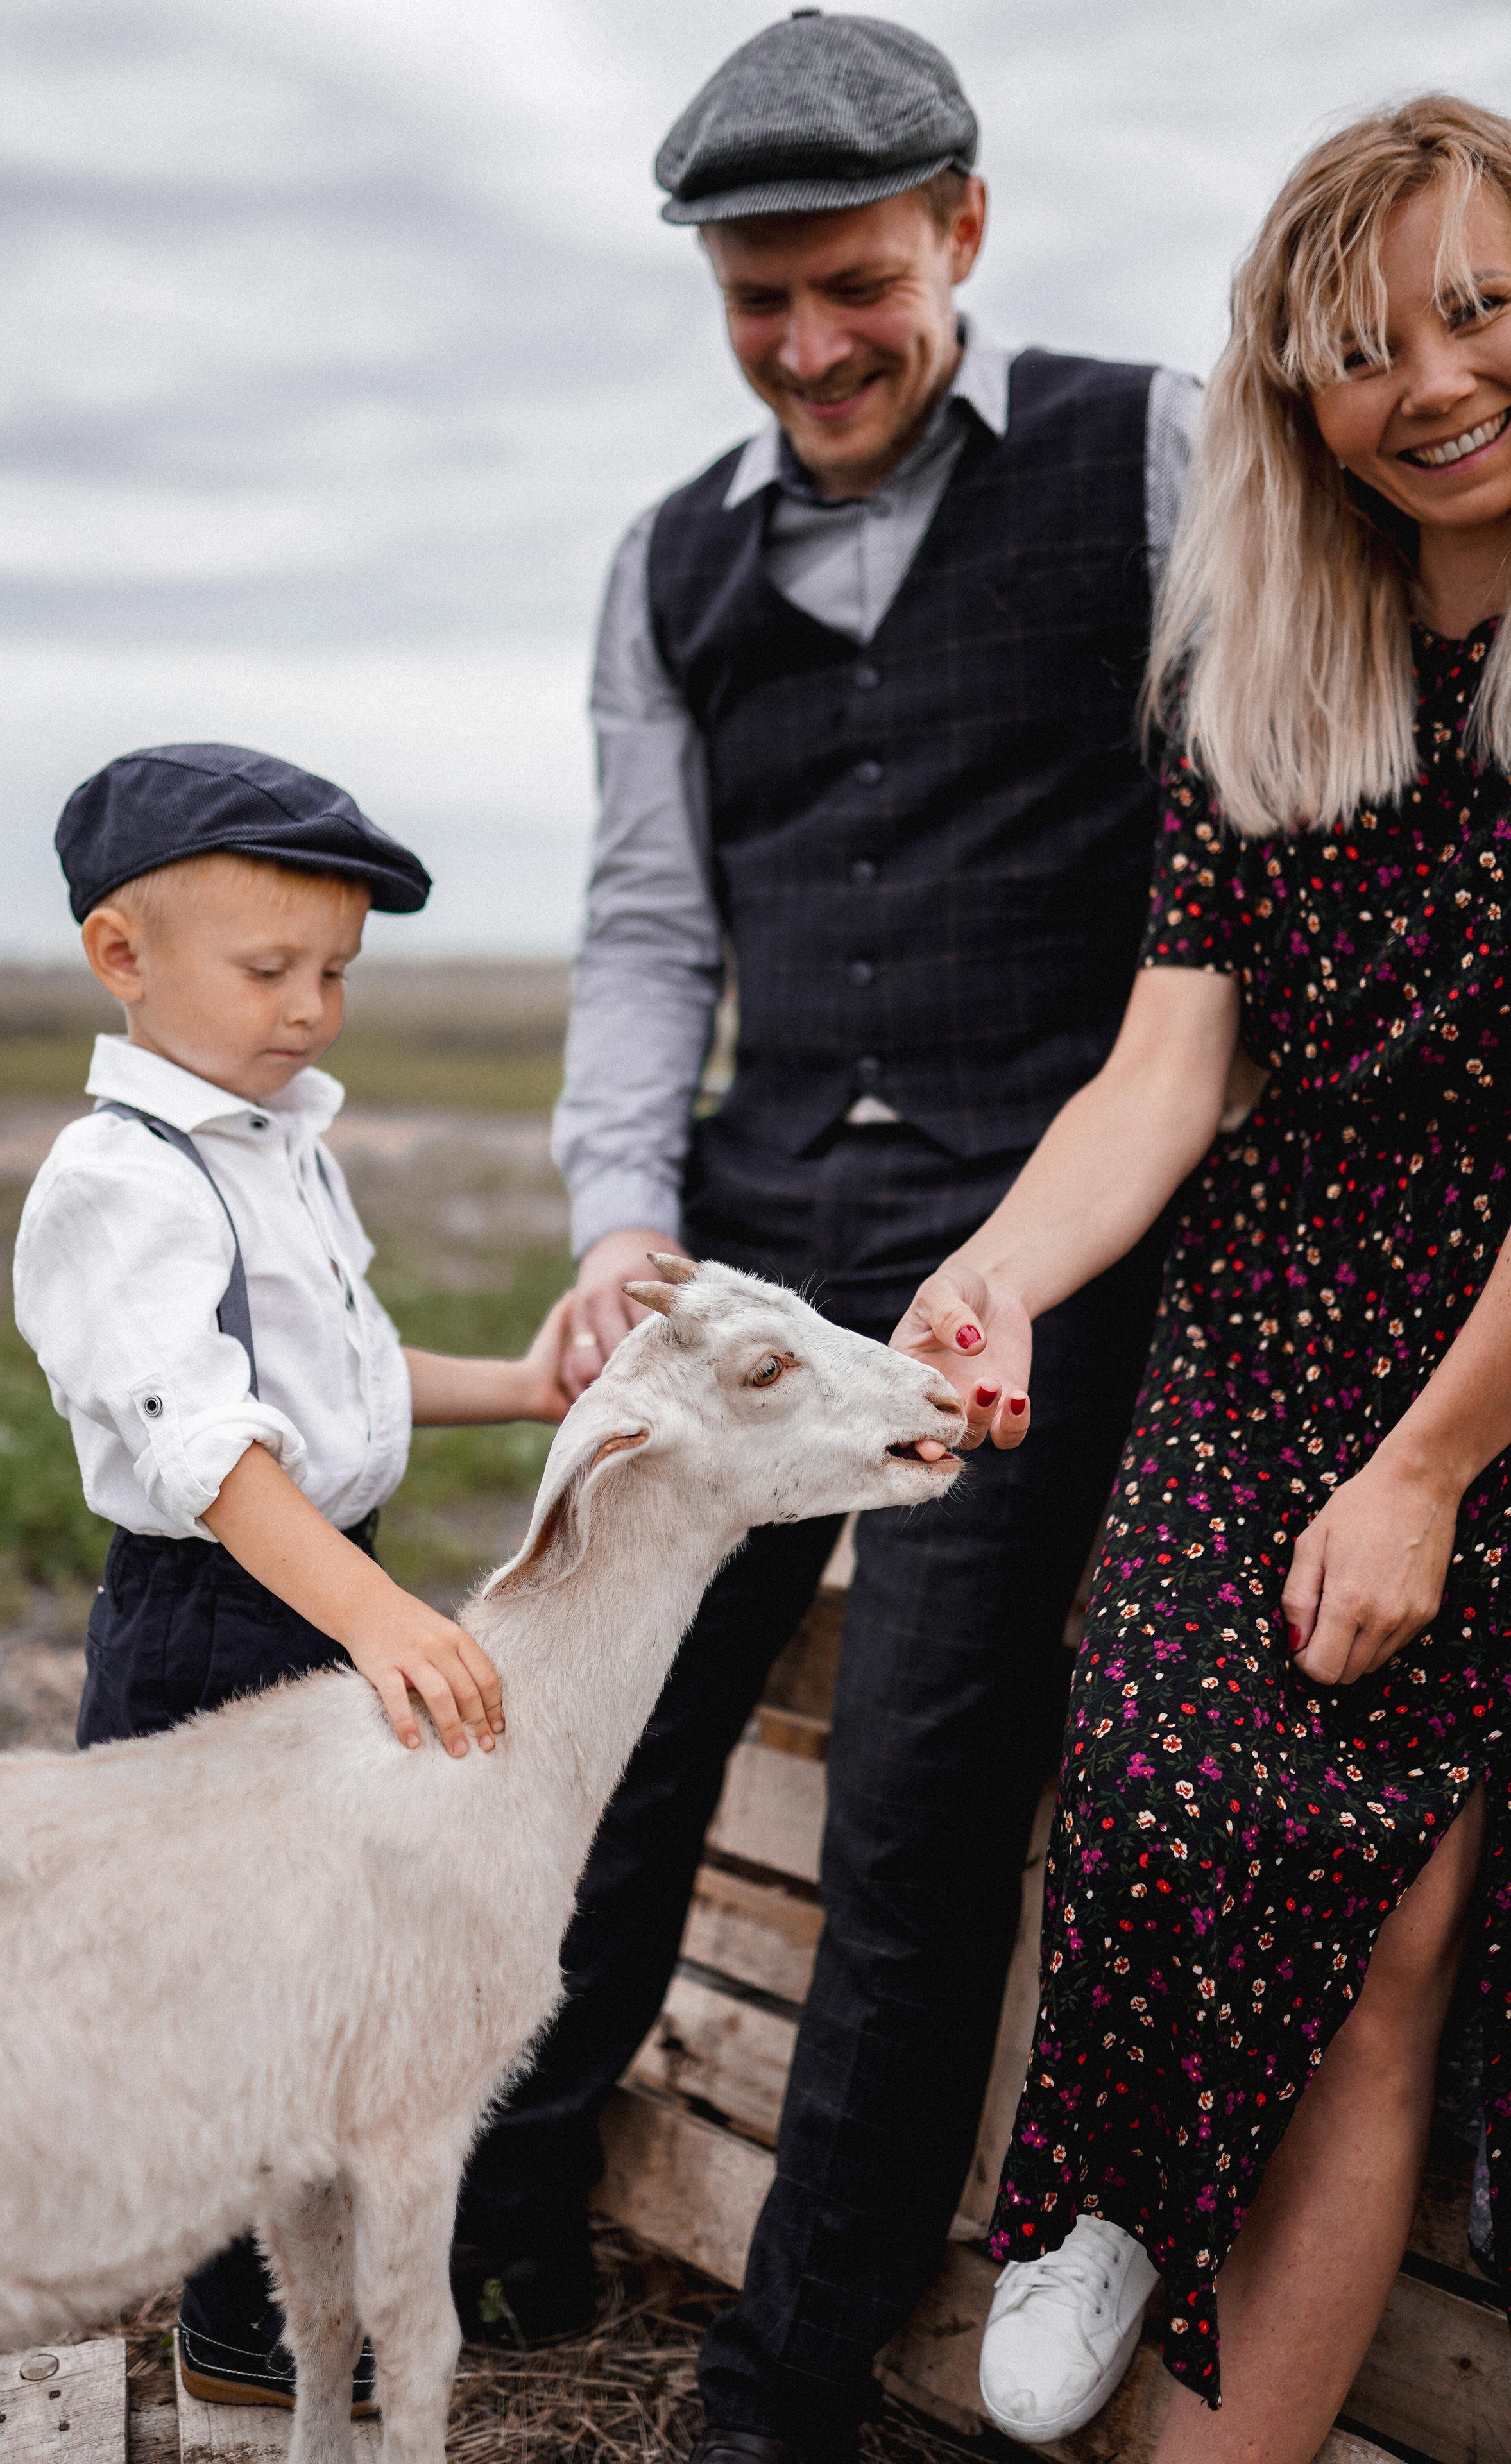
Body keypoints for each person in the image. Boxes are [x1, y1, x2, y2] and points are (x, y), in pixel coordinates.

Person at [454, 15, 1198, 2459]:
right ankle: (505, 2219)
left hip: (1038, 1231)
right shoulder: (663, 559)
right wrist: (623, 1218)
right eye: (755, 298)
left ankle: (781, 2391)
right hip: (756, 1228)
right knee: (609, 1731)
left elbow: (1240, 864)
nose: (808, 344)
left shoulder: (1154, 452)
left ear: (963, 231)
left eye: (852, 283)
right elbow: (653, 930)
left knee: (912, 1809)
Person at [892, 95, 1511, 2458]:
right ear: (1294, 398)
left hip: (1488, 1353)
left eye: (1479, 307)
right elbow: (1162, 1083)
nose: (1434, 381)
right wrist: (1001, 1274)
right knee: (1146, 1781)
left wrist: (1434, 1466)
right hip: (1269, 1312)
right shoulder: (1254, 671)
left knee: (1377, 1944)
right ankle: (1110, 2190)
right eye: (1366, 348)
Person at [14, 742, 569, 2408]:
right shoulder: (124, 1182)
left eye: (335, 971)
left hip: (317, 1590)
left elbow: (339, 1378)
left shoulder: (275, 1142)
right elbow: (213, 1454)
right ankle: (244, 2346)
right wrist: (383, 1617)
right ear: (125, 959)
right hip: (218, 1614)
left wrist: (531, 1385)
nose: (313, 1007)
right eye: (270, 970)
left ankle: (292, 2293)